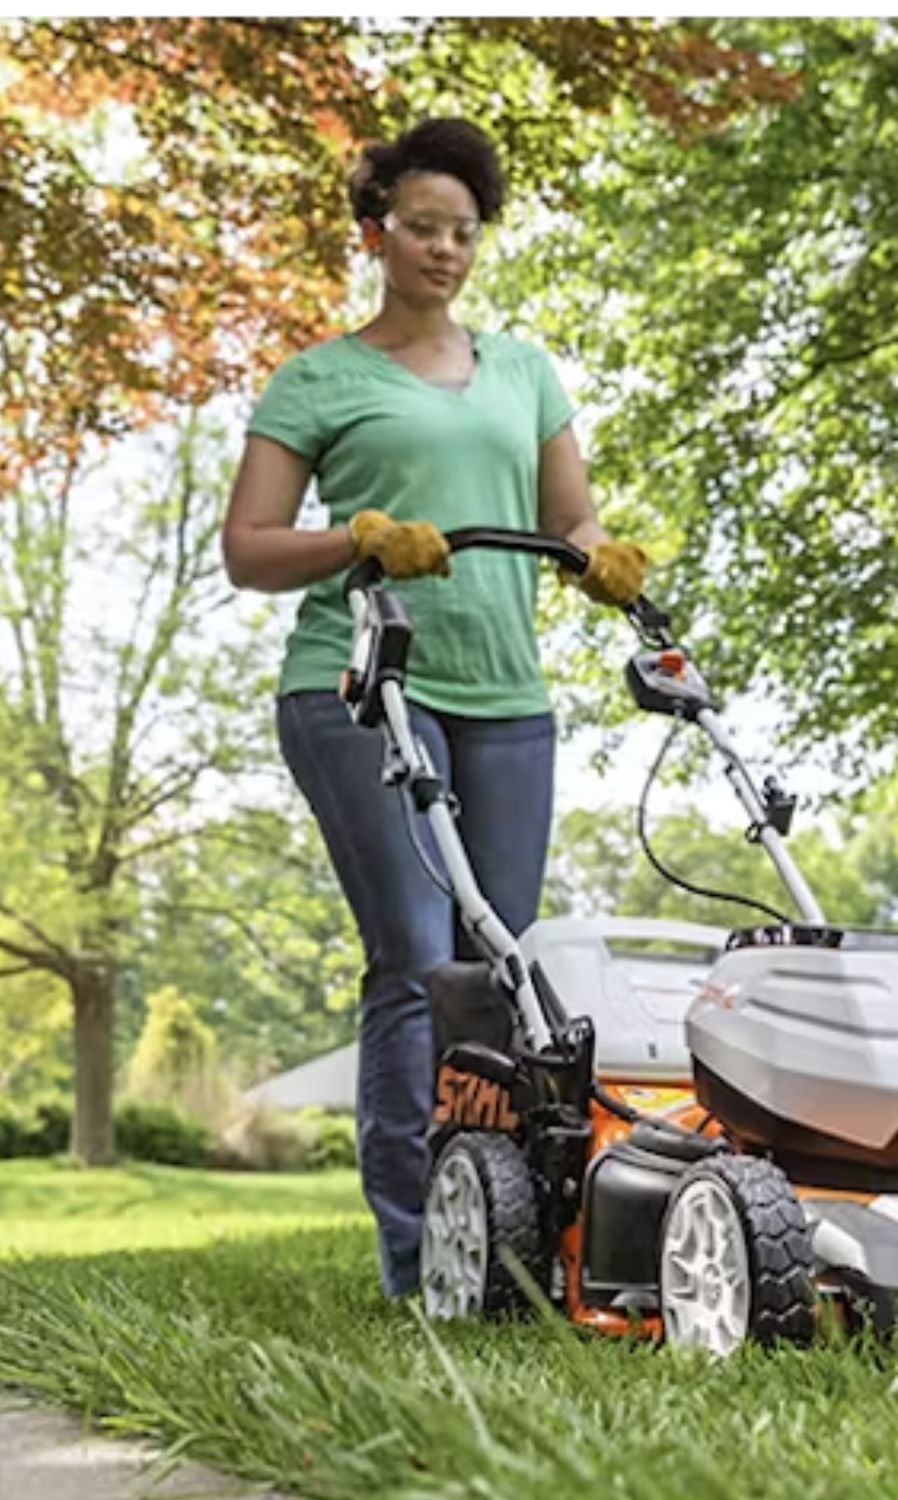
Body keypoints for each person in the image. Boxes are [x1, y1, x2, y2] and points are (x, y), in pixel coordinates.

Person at [220, 117, 646, 1298]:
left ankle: (501, 1240)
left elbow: (575, 517)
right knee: (413, 960)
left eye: (464, 232)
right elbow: (248, 549)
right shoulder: (320, 378)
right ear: (377, 233)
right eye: (422, 227)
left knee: (497, 971)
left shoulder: (524, 370)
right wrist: (356, 536)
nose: (446, 250)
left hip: (508, 695)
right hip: (360, 688)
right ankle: (418, 1257)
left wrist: (607, 556)